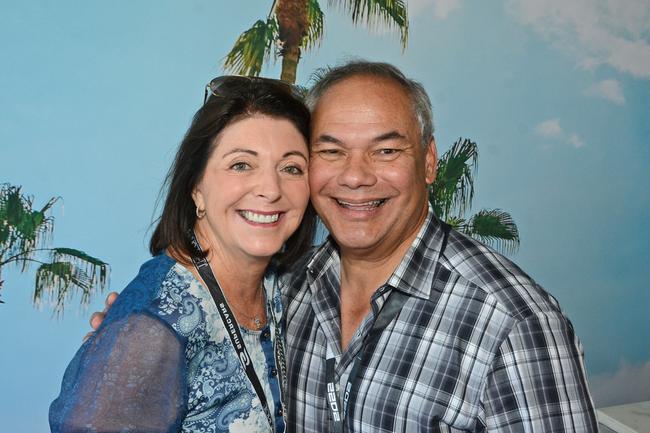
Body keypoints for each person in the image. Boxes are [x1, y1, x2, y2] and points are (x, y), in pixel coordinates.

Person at [90, 61, 598, 432]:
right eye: (330, 151)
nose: (356, 176)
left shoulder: (514, 324)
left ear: (428, 162)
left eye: (386, 150)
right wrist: (143, 337)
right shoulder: (288, 287)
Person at [50, 75, 316, 433]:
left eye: (291, 168)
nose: (270, 189)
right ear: (196, 188)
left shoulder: (289, 285)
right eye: (241, 164)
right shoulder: (154, 325)